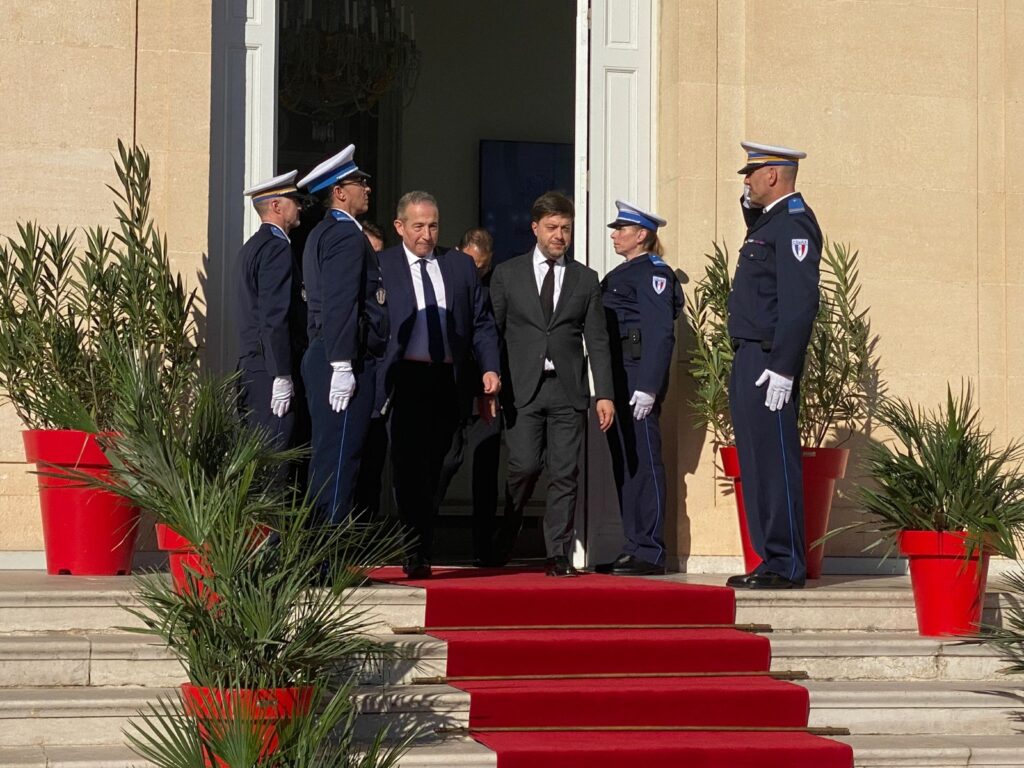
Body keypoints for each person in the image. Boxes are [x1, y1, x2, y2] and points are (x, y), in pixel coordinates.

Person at [489, 191, 615, 577]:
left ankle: (557, 552)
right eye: (552, 227)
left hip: (567, 390)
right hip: (522, 388)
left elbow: (596, 339)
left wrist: (604, 393)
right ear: (535, 228)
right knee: (523, 466)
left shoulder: (585, 279)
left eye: (566, 228)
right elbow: (492, 332)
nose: (559, 235)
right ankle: (506, 534)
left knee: (565, 472)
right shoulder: (507, 274)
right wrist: (488, 383)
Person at [376, 193, 500, 578]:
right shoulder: (382, 266)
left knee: (447, 460)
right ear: (400, 227)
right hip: (406, 378)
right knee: (410, 467)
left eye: (433, 226)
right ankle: (417, 549)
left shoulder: (460, 266)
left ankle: (420, 526)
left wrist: (490, 368)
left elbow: (481, 322)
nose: (427, 234)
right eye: (418, 226)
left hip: (449, 379)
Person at [725, 141, 822, 590]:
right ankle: (770, 558)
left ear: (772, 176)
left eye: (752, 173)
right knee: (756, 459)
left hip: (769, 359)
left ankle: (785, 563)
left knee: (776, 459)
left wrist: (784, 365)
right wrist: (748, 206)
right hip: (749, 354)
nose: (746, 180)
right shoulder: (771, 222)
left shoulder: (796, 224)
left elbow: (800, 303)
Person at [297, 144, 389, 526]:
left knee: (330, 455)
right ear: (339, 192)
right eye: (358, 182)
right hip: (344, 355)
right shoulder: (346, 236)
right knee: (339, 460)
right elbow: (339, 301)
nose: (367, 188)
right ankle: (327, 558)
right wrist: (341, 362)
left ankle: (319, 551)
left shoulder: (323, 233)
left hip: (329, 351)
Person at [595, 201, 683, 576]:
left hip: (636, 377)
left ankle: (649, 549)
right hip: (618, 376)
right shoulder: (624, 273)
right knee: (625, 462)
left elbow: (660, 331)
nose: (614, 235)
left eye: (621, 229)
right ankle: (633, 545)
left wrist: (648, 386)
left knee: (643, 462)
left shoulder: (653, 273)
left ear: (642, 235)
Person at [435, 227, 505, 565]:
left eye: (482, 267)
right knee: (443, 462)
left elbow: (489, 336)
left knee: (485, 471)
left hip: (484, 395)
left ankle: (483, 548)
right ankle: (422, 540)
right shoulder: (442, 281)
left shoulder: (490, 293)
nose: (475, 272)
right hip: (450, 391)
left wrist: (491, 380)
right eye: (471, 263)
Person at [235, 170, 307, 454]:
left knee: (258, 458)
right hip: (269, 369)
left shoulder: (252, 247)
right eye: (294, 200)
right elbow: (273, 316)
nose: (300, 206)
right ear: (276, 206)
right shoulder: (276, 248)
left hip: (252, 366)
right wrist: (282, 374)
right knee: (273, 462)